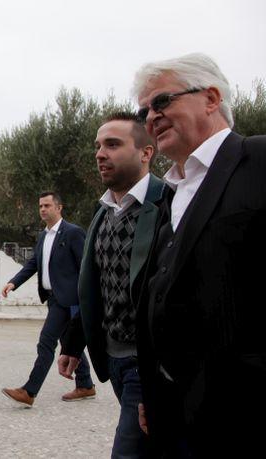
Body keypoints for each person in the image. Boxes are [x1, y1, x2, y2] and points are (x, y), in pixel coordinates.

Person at [131, 53, 266, 457]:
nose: (151, 117)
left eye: (161, 101)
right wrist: (152, 392)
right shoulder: (172, 194)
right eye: (143, 111)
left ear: (210, 98)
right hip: (176, 416)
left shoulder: (259, 160)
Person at [58, 113, 166, 457]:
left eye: (113, 144)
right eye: (98, 146)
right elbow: (97, 284)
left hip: (147, 364)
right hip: (114, 359)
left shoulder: (169, 204)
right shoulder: (104, 211)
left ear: (146, 152)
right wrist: (74, 341)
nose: (100, 154)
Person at [0, 192, 94, 407]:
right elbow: (34, 264)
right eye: (41, 206)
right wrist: (14, 282)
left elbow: (85, 266)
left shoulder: (72, 233)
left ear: (59, 208)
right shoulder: (43, 236)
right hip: (52, 299)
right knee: (68, 341)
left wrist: (84, 299)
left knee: (46, 342)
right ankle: (85, 384)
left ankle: (29, 391)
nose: (43, 209)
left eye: (47, 205)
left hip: (68, 300)